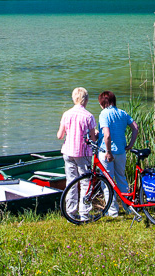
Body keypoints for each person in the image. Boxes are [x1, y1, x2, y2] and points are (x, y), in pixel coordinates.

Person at [57, 87, 97, 220]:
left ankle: (70, 212)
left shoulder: (66, 114)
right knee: (85, 183)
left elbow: (59, 135)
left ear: (74, 99)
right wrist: (95, 134)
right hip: (83, 153)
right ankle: (85, 213)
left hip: (68, 152)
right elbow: (92, 138)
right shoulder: (89, 116)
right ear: (85, 100)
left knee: (71, 182)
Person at [98, 90, 139, 217]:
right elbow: (135, 128)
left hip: (107, 152)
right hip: (121, 152)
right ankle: (128, 207)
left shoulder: (104, 114)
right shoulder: (122, 113)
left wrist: (109, 152)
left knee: (107, 182)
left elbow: (107, 134)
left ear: (103, 103)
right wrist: (131, 144)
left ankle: (113, 211)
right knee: (121, 179)